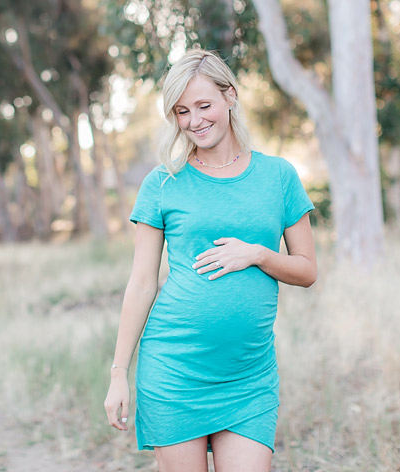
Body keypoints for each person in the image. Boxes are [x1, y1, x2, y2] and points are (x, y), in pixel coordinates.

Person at [103, 49, 318, 472]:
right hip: (174, 371)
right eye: (182, 111)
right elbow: (143, 283)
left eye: (204, 105)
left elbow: (307, 270)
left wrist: (257, 254)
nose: (195, 120)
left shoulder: (278, 176)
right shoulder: (163, 182)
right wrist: (117, 374)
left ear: (230, 97)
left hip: (249, 377)